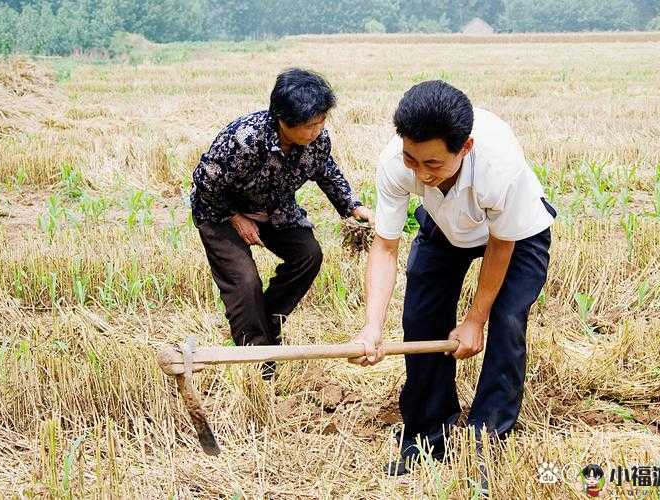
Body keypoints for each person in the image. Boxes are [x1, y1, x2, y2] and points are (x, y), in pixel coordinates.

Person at [349, 80, 557, 475]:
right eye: (414, 159)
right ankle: (427, 435)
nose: (421, 173)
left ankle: (487, 441)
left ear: (465, 148)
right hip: (445, 227)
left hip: (515, 233)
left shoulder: (498, 165)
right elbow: (385, 247)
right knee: (421, 319)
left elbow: (501, 244)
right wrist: (372, 326)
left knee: (507, 320)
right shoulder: (396, 163)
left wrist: (475, 320)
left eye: (433, 164)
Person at [191, 68, 373, 378]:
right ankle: (259, 362)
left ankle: (266, 321)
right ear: (282, 119)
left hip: (274, 209)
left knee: (308, 255)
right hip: (219, 211)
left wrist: (353, 207)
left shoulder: (318, 141)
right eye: (309, 125)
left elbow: (326, 172)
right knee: (245, 282)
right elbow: (205, 183)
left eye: (322, 121)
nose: (317, 130)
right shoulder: (244, 139)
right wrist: (235, 218)